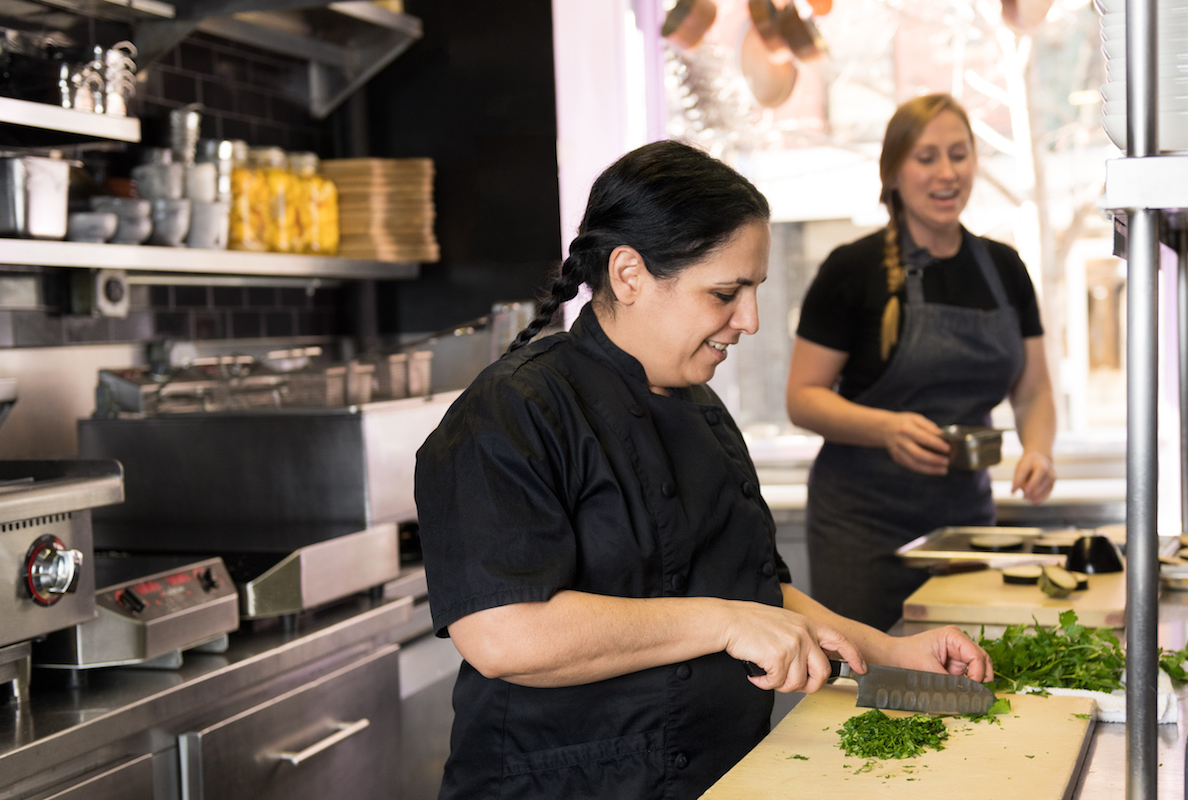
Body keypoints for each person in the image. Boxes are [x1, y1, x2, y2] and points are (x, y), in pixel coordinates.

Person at [415, 139, 993, 800]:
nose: (748, 320)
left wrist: (891, 654)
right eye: (725, 292)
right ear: (629, 275)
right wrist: (722, 621)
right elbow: (502, 634)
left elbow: (751, 591)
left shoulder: (702, 410)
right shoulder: (511, 411)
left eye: (753, 291)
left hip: (718, 777)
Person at [786, 93, 1058, 632]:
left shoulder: (1004, 268)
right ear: (893, 171)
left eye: (959, 154)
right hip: (861, 526)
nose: (947, 172)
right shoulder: (851, 269)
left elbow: (1033, 391)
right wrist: (887, 429)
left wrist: (1039, 451)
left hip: (965, 523)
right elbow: (803, 398)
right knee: (868, 687)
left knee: (967, 672)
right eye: (926, 156)